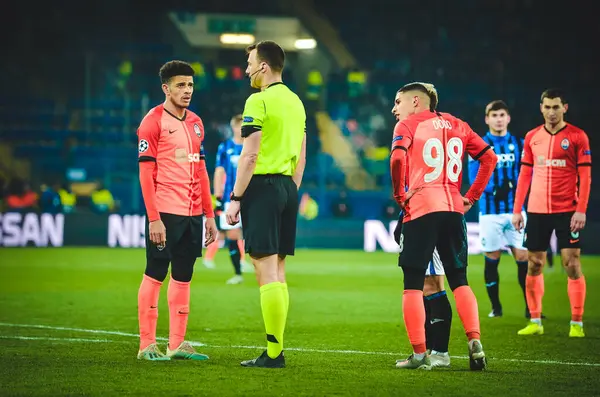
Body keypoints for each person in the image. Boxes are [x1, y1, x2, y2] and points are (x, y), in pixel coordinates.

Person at [390, 82, 497, 370]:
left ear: (415, 101)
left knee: (412, 285)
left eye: (398, 102)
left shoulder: (408, 125)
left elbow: (398, 156)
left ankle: (420, 354)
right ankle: (475, 342)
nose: (394, 109)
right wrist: (471, 197)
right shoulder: (458, 124)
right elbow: (489, 158)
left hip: (422, 208)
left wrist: (400, 194)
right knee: (459, 281)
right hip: (453, 210)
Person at [225, 41, 307, 368]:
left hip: (262, 186)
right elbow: (302, 154)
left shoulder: (257, 100)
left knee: (264, 267)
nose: (246, 70)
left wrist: (235, 198)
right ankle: (276, 348)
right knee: (279, 267)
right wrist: (289, 189)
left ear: (263, 67)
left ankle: (273, 352)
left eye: (249, 63)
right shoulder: (297, 102)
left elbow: (250, 154)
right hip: (288, 186)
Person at [136, 60, 218, 361]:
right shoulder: (152, 121)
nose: (187, 90)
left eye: (191, 85)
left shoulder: (196, 122)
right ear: (165, 88)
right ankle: (147, 344)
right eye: (181, 85)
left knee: (184, 275)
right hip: (165, 211)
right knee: (156, 272)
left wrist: (209, 215)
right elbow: (145, 174)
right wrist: (154, 218)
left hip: (194, 213)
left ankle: (177, 344)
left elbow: (202, 172)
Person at [512, 88, 591, 338]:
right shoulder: (532, 137)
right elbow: (524, 175)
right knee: (534, 263)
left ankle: (576, 323)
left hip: (567, 211)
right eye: (547, 107)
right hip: (536, 211)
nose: (552, 112)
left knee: (571, 263)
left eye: (556, 107)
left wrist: (581, 211)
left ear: (564, 108)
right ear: (541, 108)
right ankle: (535, 320)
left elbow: (586, 176)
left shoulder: (578, 137)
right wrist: (517, 210)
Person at [468, 100, 529, 318]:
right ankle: (496, 307)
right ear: (487, 119)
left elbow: (526, 173)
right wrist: (494, 188)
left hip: (515, 211)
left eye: (502, 114)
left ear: (508, 118)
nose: (499, 119)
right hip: (490, 212)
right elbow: (473, 177)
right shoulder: (479, 145)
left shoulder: (520, 144)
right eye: (494, 115)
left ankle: (531, 308)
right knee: (492, 257)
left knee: (523, 256)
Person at [213, 114, 251, 284]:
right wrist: (218, 195)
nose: (240, 129)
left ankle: (260, 268)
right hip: (230, 197)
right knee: (233, 233)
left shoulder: (253, 146)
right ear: (233, 127)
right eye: (238, 126)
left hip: (252, 197)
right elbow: (219, 171)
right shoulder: (225, 147)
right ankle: (238, 272)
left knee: (252, 233)